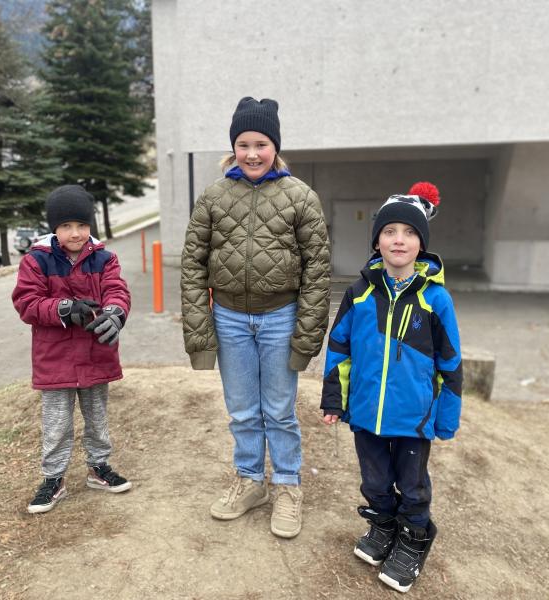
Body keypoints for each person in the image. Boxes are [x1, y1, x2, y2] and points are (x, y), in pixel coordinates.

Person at [181, 97, 331, 538]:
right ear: (233, 147)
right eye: (243, 143)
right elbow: (192, 266)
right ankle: (250, 481)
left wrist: (307, 336)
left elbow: (317, 271)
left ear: (274, 147)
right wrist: (200, 333)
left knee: (280, 411)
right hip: (228, 318)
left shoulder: (300, 197)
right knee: (244, 410)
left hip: (281, 317)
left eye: (261, 143)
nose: (251, 153)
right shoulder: (213, 196)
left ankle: (287, 485)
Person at [320, 182, 462, 592]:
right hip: (365, 412)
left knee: (413, 486)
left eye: (410, 232)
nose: (399, 239)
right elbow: (339, 348)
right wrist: (334, 397)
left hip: (413, 419)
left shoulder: (436, 300)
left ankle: (413, 539)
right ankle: (383, 525)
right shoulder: (359, 291)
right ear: (377, 240)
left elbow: (451, 364)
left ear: (422, 243)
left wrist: (446, 419)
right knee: (374, 482)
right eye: (390, 231)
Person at [12, 184, 132, 514]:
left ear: (90, 226)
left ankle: (99, 467)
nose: (75, 233)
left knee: (97, 417)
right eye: (66, 226)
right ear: (54, 228)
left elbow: (116, 290)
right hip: (55, 360)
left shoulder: (105, 258)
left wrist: (116, 313)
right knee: (57, 424)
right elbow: (27, 303)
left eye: (81, 225)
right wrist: (65, 307)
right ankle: (53, 479)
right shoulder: (36, 261)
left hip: (96, 354)